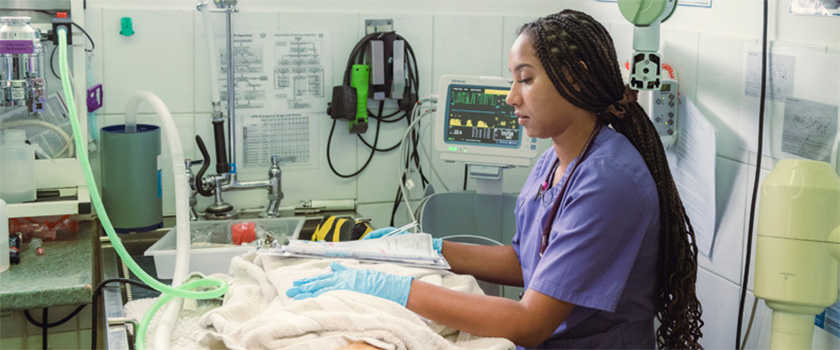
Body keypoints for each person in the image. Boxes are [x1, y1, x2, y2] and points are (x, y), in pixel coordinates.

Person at [287, 9, 703, 349]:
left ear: (575, 77)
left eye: (525, 79)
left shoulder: (608, 183)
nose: (511, 97)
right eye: (512, 80)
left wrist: (394, 289)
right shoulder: (557, 159)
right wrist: (424, 251)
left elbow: (529, 322)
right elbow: (524, 262)